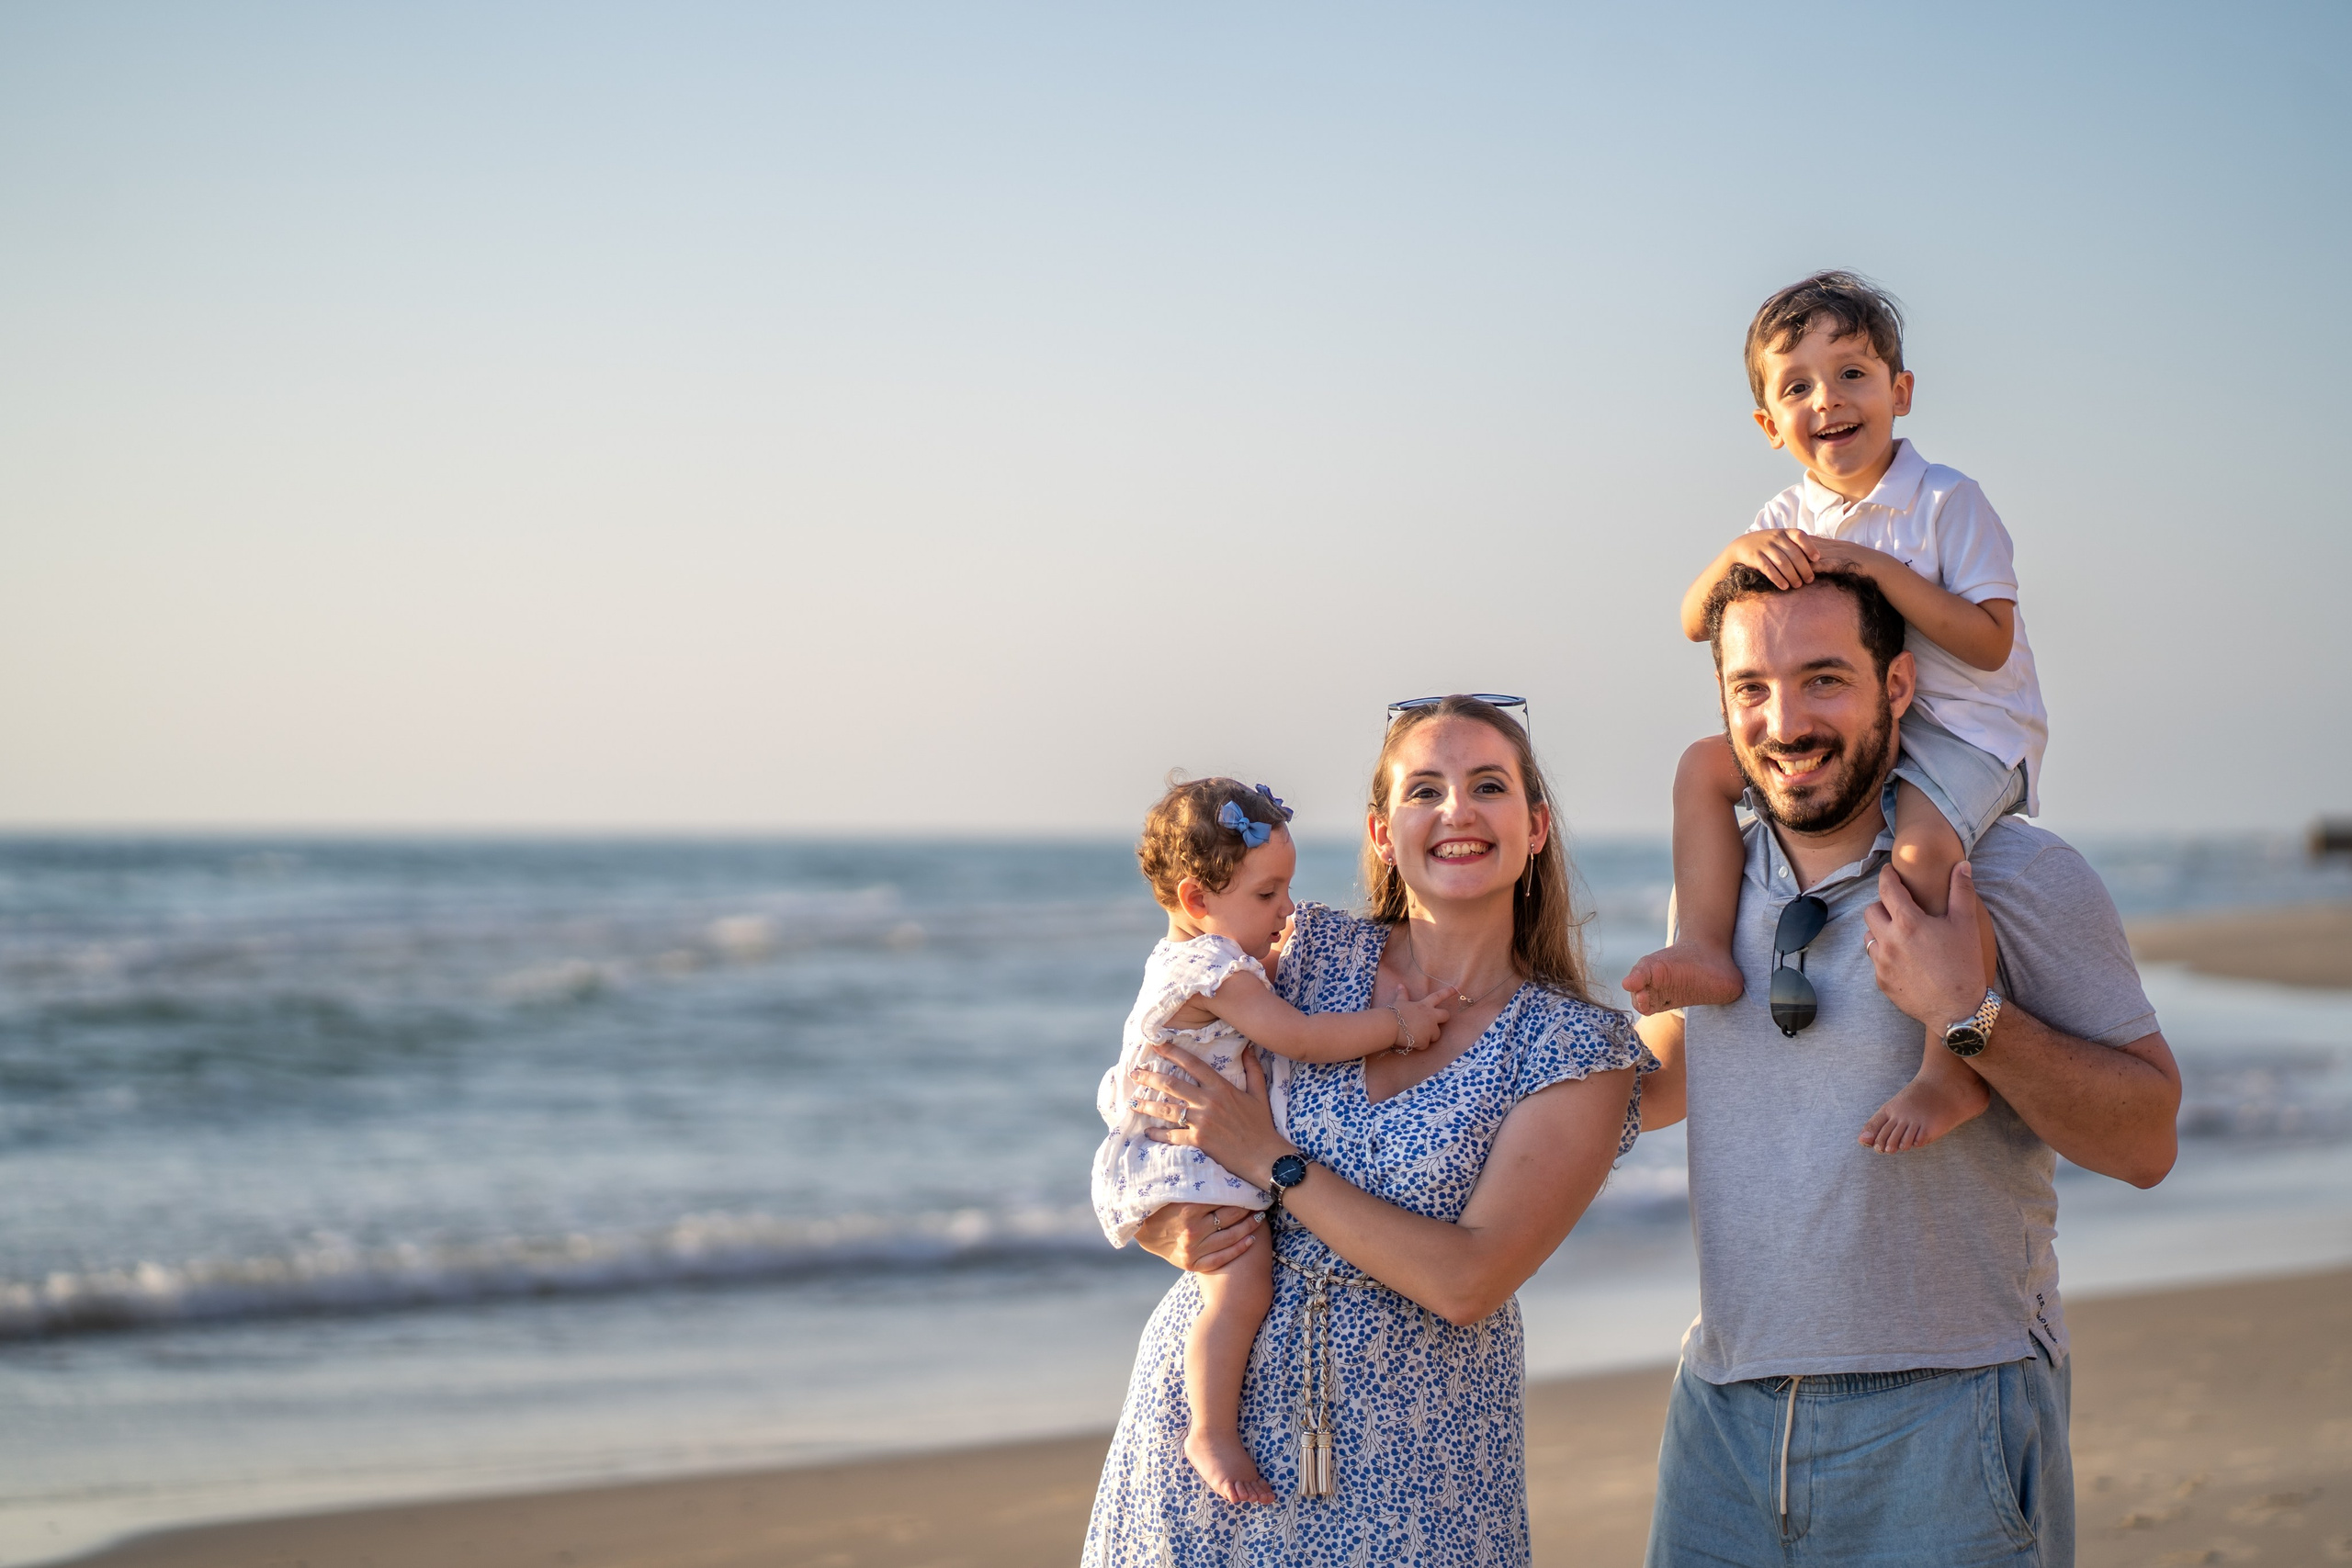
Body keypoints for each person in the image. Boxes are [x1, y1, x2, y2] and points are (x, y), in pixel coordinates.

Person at [1634, 566, 2181, 1568]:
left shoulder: (2013, 874)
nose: (1784, 721)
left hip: (1950, 1412)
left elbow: (2147, 1140)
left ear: (1897, 687)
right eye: (1750, 687)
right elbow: (1674, 1076)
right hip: (1720, 1417)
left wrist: (1966, 1018)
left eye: (1823, 680)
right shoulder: (1716, 885)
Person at [1082, 696, 1655, 1567]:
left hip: (1420, 1464)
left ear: (1535, 827)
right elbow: (1157, 1086)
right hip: (1205, 1443)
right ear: (1383, 832)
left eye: (1487, 785)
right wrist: (1167, 1224)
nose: (1456, 811)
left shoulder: (1576, 1048)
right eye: (1425, 789)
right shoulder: (1295, 954)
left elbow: (1468, 1280)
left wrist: (1272, 1161)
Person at [1624, 271, 2051, 1154]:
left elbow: (1988, 643)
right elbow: (1696, 620)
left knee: (1924, 849)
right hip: (1859, 730)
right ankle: (1707, 945)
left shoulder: (1945, 502)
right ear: (1768, 426)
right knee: (1700, 768)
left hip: (1968, 733)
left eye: (1853, 373)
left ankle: (1948, 1065)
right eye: (1797, 386)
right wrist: (1736, 552)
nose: (1828, 400)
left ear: (1899, 392)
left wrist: (1873, 571)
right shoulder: (1784, 513)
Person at [1091, 775, 1453, 1505]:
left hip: (1189, 1143)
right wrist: (1399, 1026)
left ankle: (1210, 1423)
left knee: (1233, 1280)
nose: (1286, 908)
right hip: (1193, 1155)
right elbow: (1300, 1036)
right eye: (1266, 895)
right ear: (1197, 900)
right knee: (1241, 1281)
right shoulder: (1214, 967)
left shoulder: (1204, 959)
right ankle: (1211, 1428)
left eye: (1286, 888)